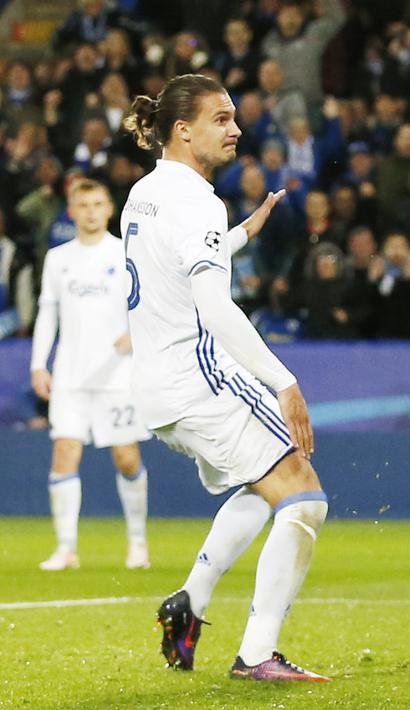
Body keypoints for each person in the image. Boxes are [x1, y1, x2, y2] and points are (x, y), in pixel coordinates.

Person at [120, 74, 329, 682]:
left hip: (157, 389)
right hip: (202, 376)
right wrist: (284, 381)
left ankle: (188, 603)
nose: (236, 129)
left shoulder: (144, 193)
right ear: (183, 131)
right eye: (221, 118)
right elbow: (214, 309)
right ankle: (257, 654)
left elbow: (170, 267)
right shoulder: (200, 201)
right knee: (303, 496)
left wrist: (237, 235)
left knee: (261, 488)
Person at [28, 179, 152, 571]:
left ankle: (137, 542)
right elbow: (47, 312)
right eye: (84, 205)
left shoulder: (125, 253)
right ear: (72, 211)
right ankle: (66, 548)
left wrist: (137, 332)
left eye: (98, 203)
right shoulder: (58, 258)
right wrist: (37, 363)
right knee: (65, 452)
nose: (92, 211)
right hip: (69, 373)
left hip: (117, 374)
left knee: (126, 458)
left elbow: (148, 304)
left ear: (110, 208)